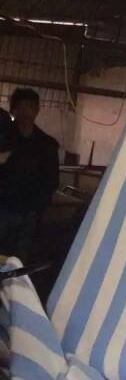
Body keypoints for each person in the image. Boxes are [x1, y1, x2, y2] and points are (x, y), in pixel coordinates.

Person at [0, 88, 59, 262]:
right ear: (13, 110)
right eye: (21, 107)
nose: (25, 112)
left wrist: (37, 205)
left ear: (37, 110)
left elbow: (51, 180)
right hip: (3, 208)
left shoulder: (47, 145)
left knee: (20, 259)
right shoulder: (3, 141)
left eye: (30, 107)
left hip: (29, 213)